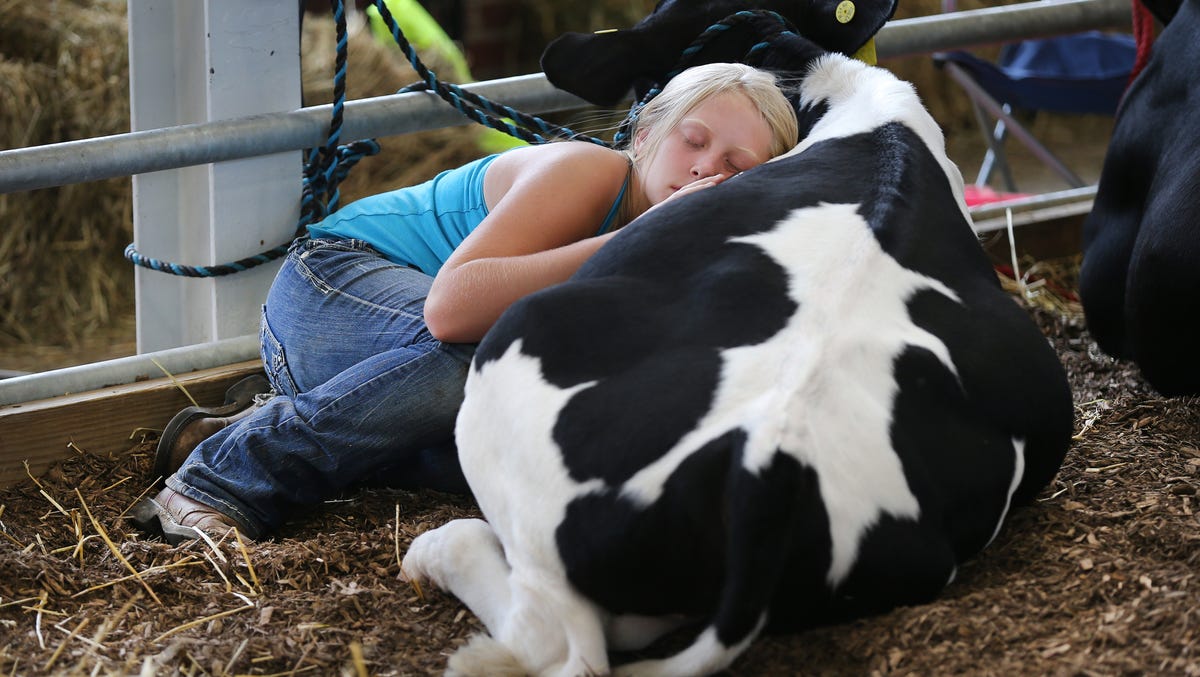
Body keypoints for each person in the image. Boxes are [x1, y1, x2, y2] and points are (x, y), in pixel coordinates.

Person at [131, 62, 800, 544]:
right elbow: (451, 309)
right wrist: (638, 238)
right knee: (487, 361)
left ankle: (262, 416)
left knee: (534, 441)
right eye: (694, 138)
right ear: (647, 133)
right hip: (332, 286)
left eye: (739, 167)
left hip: (396, 361)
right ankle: (223, 475)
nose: (707, 169)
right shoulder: (589, 172)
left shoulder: (708, 249)